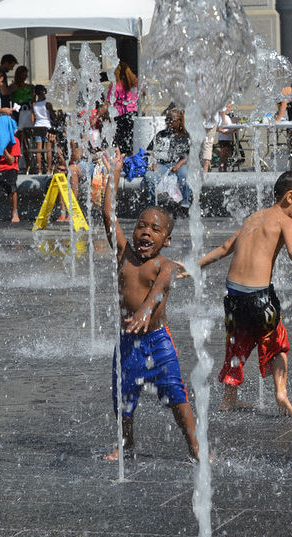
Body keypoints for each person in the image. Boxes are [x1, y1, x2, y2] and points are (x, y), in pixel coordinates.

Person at [190, 171, 292, 416]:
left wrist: (193, 266)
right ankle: (281, 392)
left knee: (236, 344)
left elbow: (224, 249)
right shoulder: (286, 221)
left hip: (233, 296)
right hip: (259, 296)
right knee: (278, 344)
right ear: (289, 197)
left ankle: (229, 399)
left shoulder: (253, 218)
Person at [100, 150, 198, 461]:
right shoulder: (124, 254)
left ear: (166, 240)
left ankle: (196, 447)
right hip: (128, 341)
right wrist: (114, 174)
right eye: (142, 226)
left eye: (155, 230)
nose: (146, 232)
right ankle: (127, 443)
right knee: (123, 397)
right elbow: (108, 214)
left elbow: (161, 288)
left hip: (158, 341)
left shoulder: (165, 264)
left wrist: (144, 311)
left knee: (177, 396)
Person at [142, 108, 190, 208]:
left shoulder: (186, 136)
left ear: (179, 121)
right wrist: (152, 162)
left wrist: (179, 164)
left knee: (185, 176)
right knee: (149, 177)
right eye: (166, 120)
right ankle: (153, 205)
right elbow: (150, 152)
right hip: (162, 164)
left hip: (180, 163)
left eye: (171, 120)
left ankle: (185, 203)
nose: (168, 122)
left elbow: (191, 156)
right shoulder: (161, 134)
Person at [105, 61, 139, 155]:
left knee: (121, 146)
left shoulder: (116, 86)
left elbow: (107, 103)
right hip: (134, 116)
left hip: (120, 118)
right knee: (133, 143)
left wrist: (97, 117)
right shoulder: (135, 83)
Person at [30, 85, 54, 174]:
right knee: (48, 149)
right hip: (47, 127)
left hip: (37, 127)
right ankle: (48, 170)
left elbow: (32, 120)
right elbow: (53, 116)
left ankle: (39, 170)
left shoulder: (34, 105)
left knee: (39, 149)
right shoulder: (48, 104)